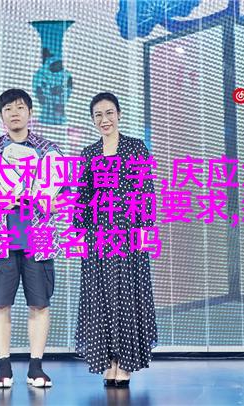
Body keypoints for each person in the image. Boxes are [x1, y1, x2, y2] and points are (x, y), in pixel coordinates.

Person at [0, 89, 67, 388]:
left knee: (39, 305)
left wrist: (44, 201)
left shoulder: (49, 151)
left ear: (30, 113)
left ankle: (36, 367)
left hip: (39, 240)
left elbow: (64, 196)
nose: (14, 113)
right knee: (0, 305)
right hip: (0, 240)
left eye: (20, 107)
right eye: (8, 109)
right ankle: (3, 368)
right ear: (1, 115)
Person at [74, 92, 158, 387]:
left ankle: (125, 362)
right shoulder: (88, 153)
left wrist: (145, 230)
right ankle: (108, 361)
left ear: (119, 114)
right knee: (101, 297)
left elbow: (145, 191)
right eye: (98, 115)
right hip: (97, 234)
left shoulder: (135, 147)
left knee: (126, 295)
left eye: (109, 113)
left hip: (129, 231)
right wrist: (79, 235)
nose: (104, 119)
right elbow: (82, 198)